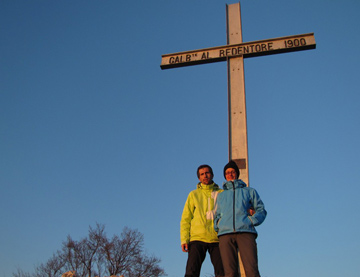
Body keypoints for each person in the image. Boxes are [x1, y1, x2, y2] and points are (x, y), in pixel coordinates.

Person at [214, 160, 267, 277]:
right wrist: (218, 224)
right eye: (227, 173)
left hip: (246, 232)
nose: (230, 174)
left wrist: (252, 220)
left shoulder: (249, 191)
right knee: (229, 273)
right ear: (225, 175)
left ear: (237, 173)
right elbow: (217, 214)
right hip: (225, 234)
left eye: (233, 172)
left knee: (251, 270)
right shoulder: (221, 195)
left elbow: (261, 210)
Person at [180, 164, 224, 277]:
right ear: (199, 178)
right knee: (191, 272)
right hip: (197, 238)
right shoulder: (193, 195)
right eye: (202, 174)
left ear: (212, 175)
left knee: (222, 272)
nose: (205, 175)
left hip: (217, 238)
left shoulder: (221, 193)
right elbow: (186, 218)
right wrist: (184, 239)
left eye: (207, 173)